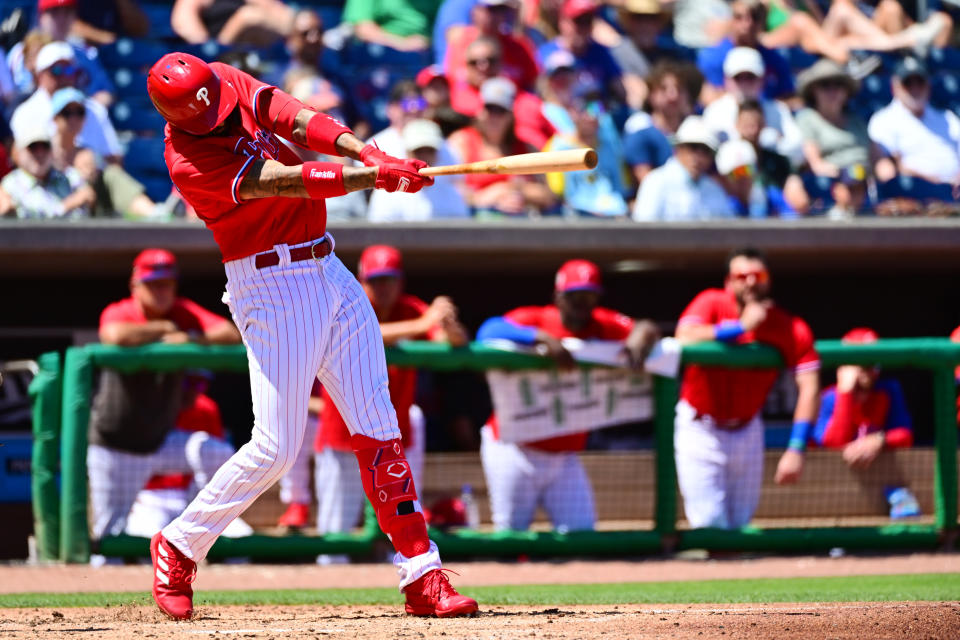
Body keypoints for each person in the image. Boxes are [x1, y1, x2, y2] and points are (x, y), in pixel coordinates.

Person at [145, 52, 476, 619]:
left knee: (380, 426)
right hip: (270, 286)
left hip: (328, 269)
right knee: (276, 447)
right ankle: (179, 544)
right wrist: (368, 177)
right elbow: (283, 181)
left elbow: (290, 115)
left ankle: (422, 573)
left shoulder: (220, 79)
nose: (224, 115)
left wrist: (361, 148)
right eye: (211, 115)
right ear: (180, 118)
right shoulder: (187, 162)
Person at [475, 259, 660, 531]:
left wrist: (640, 335)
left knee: (582, 533)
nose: (582, 304)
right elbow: (488, 330)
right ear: (558, 297)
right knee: (511, 536)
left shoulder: (601, 324)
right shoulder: (538, 318)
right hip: (514, 447)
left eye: (589, 296)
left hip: (565, 456)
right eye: (575, 296)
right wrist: (538, 337)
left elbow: (645, 327)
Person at [88, 249, 241, 554]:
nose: (161, 291)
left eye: (167, 284)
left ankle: (202, 524)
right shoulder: (123, 311)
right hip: (115, 446)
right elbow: (113, 335)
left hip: (160, 442)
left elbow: (229, 333)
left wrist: (194, 339)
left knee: (218, 453)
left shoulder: (183, 312)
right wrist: (163, 330)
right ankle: (94, 597)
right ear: (135, 286)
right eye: (153, 284)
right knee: (108, 536)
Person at [313, 245, 469, 545]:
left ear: (400, 281)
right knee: (336, 533)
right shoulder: (345, 302)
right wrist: (423, 324)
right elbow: (365, 332)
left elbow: (452, 341)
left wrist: (447, 322)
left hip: (392, 437)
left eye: (389, 280)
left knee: (400, 532)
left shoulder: (409, 308)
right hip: (343, 434)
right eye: (376, 280)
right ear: (361, 280)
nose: (383, 288)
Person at [673, 247, 819, 529]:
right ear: (729, 281)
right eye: (742, 276)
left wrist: (796, 448)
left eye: (758, 275)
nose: (751, 282)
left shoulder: (789, 326)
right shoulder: (711, 301)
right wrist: (738, 328)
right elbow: (683, 336)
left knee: (740, 526)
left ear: (769, 280)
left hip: (748, 429)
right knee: (710, 525)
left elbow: (810, 387)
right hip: (700, 428)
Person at [124, 372, 253, 540]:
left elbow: (218, 466)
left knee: (241, 539)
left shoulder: (207, 408)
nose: (191, 392)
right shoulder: (147, 409)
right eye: (186, 384)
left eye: (199, 385)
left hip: (195, 497)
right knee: (147, 543)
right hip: (152, 500)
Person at [49, 87, 166, 219]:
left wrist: (93, 169)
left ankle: (154, 214)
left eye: (80, 112)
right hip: (51, 212)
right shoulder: (42, 149)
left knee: (111, 174)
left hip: (87, 211)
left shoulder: (86, 153)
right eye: (67, 113)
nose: (74, 118)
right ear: (55, 117)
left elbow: (115, 162)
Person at [448, 77, 556, 217]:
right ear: (480, 111)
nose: (493, 116)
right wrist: (486, 198)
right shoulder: (461, 141)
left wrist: (514, 189)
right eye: (489, 108)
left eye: (500, 111)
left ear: (510, 115)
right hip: (473, 225)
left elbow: (548, 196)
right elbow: (449, 191)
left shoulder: (525, 147)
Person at [812, 328, 913, 468]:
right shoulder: (829, 397)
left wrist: (879, 439)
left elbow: (905, 436)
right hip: (831, 478)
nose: (869, 368)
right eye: (861, 362)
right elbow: (834, 444)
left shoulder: (888, 390)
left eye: (873, 362)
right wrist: (845, 393)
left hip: (877, 478)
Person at [10, 41, 122, 165]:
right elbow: (19, 159)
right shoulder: (25, 113)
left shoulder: (95, 109)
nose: (64, 76)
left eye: (69, 70)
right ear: (40, 75)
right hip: (46, 181)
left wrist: (92, 160)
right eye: (57, 70)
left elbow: (115, 159)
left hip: (93, 180)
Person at [701, 46, 803, 166]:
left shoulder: (778, 109)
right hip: (732, 178)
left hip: (770, 175)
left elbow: (799, 149)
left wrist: (776, 144)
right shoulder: (714, 112)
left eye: (750, 77)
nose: (744, 84)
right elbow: (705, 153)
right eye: (738, 78)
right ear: (726, 80)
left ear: (762, 79)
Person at [868, 57, 960, 186]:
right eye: (908, 83)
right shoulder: (883, 121)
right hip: (912, 197)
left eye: (920, 82)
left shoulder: (948, 118)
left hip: (954, 195)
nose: (915, 88)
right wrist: (931, 183)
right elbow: (884, 168)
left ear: (928, 85)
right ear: (895, 87)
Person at [449, 36, 555, 148]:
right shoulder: (454, 102)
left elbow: (559, 140)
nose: (483, 67)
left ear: (502, 62)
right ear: (466, 66)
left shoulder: (530, 103)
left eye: (490, 60)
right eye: (474, 62)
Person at [6, 0, 115, 105]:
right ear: (41, 16)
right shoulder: (21, 52)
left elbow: (105, 92)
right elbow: (9, 96)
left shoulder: (85, 53)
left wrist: (79, 110)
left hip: (75, 117)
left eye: (67, 12)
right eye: (55, 12)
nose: (61, 19)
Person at [544, 85, 629, 218]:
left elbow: (621, 189)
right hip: (576, 220)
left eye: (597, 107)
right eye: (584, 107)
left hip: (615, 217)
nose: (591, 115)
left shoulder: (611, 146)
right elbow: (557, 194)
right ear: (571, 111)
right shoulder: (558, 148)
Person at [632, 115, 734, 221]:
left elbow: (728, 231)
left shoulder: (714, 189)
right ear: (679, 148)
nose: (698, 157)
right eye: (693, 147)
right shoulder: (655, 182)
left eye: (705, 151)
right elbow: (644, 231)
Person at [368, 119, 470, 221]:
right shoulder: (387, 192)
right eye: (418, 151)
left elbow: (460, 231)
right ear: (407, 152)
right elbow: (379, 232)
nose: (424, 158)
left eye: (430, 151)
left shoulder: (450, 194)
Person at [696, 0, 794, 103]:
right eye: (739, 17)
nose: (747, 24)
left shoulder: (776, 60)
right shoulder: (711, 57)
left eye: (755, 17)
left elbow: (789, 97)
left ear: (763, 22)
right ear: (730, 20)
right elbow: (708, 97)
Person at [622, 61, 702, 185]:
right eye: (664, 89)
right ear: (651, 94)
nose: (673, 96)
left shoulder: (698, 131)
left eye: (679, 89)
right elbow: (646, 181)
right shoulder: (640, 134)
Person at [0, 118, 94, 218]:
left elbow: (89, 197)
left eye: (45, 146)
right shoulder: (10, 185)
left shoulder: (70, 177)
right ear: (19, 153)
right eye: (33, 147)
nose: (40, 153)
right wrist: (67, 205)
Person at [795, 59, 873, 179]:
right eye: (825, 85)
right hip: (834, 183)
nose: (832, 91)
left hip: (867, 181)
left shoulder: (857, 120)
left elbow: (878, 157)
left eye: (838, 84)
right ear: (813, 91)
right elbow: (816, 164)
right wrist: (847, 175)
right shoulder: (807, 119)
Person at [537, 0, 624, 102]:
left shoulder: (601, 52)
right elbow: (539, 93)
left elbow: (621, 92)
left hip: (598, 113)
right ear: (562, 22)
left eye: (587, 21)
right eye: (578, 21)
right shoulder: (545, 54)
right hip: (559, 113)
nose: (582, 28)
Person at [445, 0, 539, 93]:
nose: (495, 15)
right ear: (475, 11)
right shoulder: (460, 41)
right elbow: (451, 81)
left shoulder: (520, 47)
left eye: (500, 9)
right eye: (490, 9)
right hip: (466, 105)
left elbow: (534, 84)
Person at [736, 99, 808, 214]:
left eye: (756, 124)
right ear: (737, 125)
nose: (752, 131)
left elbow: (792, 181)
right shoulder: (728, 157)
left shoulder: (776, 160)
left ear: (764, 124)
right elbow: (733, 184)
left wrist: (793, 183)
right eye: (747, 125)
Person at [274, 379, 322, 530]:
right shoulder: (298, 359)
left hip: (339, 428)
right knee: (293, 427)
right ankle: (297, 505)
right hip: (313, 425)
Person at [715, 139, 796, 218]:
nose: (743, 177)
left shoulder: (770, 196)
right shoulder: (717, 204)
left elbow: (792, 220)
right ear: (723, 178)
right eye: (736, 173)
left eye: (747, 169)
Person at [171, 0, 297, 46]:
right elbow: (183, 23)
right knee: (248, 16)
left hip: (259, 53)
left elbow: (288, 19)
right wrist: (213, 49)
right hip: (220, 51)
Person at [343, 0, 441, 52]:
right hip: (381, 56)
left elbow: (448, 26)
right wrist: (403, 44)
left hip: (426, 54)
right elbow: (362, 29)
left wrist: (429, 42)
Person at [416, 65, 471, 137]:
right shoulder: (415, 114)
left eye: (442, 84)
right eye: (433, 86)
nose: (439, 88)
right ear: (422, 90)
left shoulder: (458, 116)